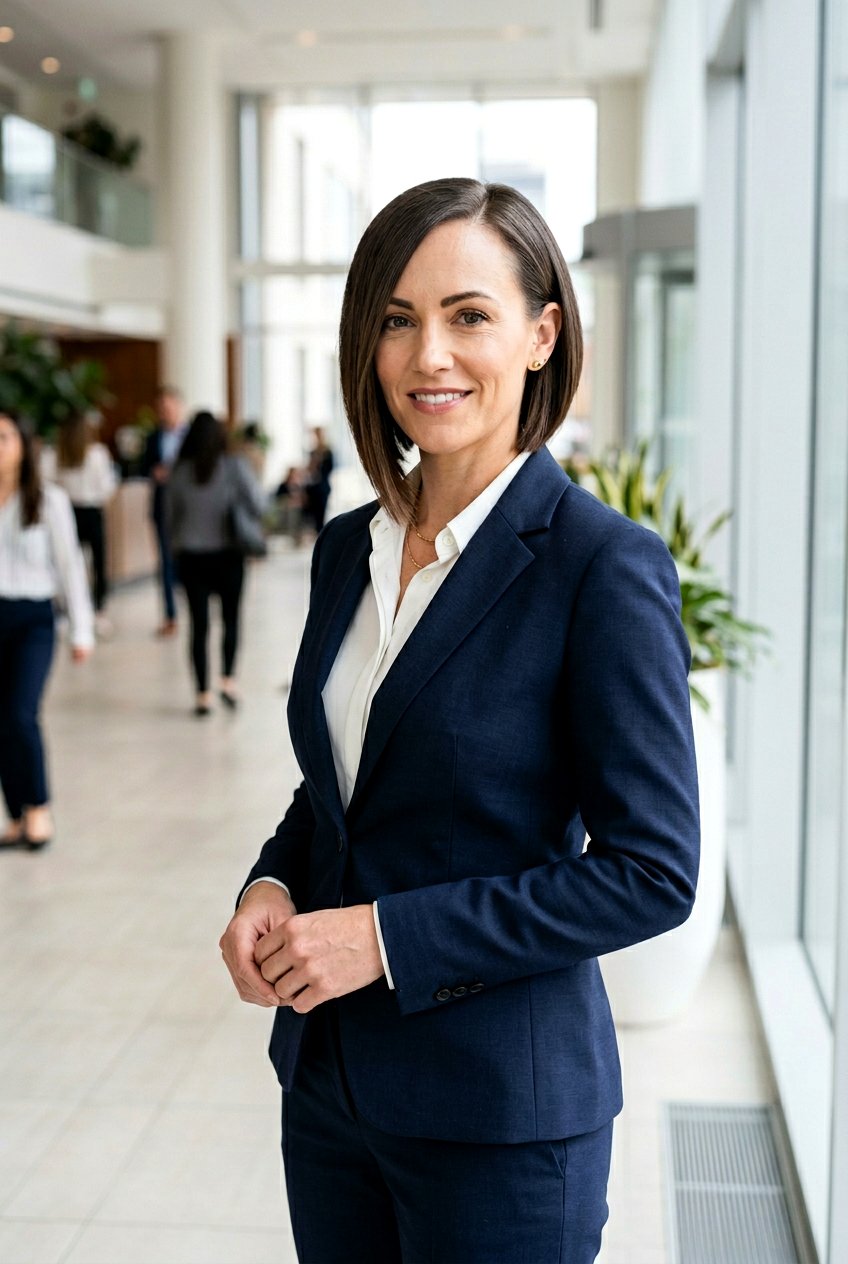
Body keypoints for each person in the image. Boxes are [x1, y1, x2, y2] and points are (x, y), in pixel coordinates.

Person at [219, 178, 700, 1264]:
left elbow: (649, 871)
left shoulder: (599, 567)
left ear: (539, 334)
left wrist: (384, 938)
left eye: (466, 315)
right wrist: (272, 883)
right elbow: (343, 779)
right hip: (330, 1089)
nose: (427, 354)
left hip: (500, 1117)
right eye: (396, 319)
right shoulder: (349, 547)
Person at [0, 410, 93, 851]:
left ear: (23, 445)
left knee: (20, 714)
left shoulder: (47, 499)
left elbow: (71, 564)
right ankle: (16, 814)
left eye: (4, 437)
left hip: (33, 619)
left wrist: (82, 630)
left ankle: (38, 806)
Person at [167, 411, 264, 717]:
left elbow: (169, 518)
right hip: (229, 555)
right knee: (231, 619)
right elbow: (259, 505)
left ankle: (202, 694)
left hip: (191, 558)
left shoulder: (179, 471)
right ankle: (227, 681)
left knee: (198, 626)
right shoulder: (234, 466)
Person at [41, 412, 118, 637]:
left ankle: (66, 610)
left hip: (66, 511)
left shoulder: (54, 454)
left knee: (67, 562)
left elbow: (47, 483)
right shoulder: (96, 454)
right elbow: (106, 486)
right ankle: (98, 611)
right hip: (90, 511)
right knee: (97, 562)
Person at [141, 385, 186, 637]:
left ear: (179, 407)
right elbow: (142, 466)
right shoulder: (152, 437)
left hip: (186, 511)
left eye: (169, 407)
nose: (165, 412)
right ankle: (170, 614)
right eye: (161, 408)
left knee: (186, 562)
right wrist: (154, 472)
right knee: (166, 562)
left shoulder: (190, 437)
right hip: (161, 507)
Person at [303, 425, 334, 533]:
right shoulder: (312, 452)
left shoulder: (328, 452)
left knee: (321, 513)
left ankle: (320, 533)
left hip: (323, 487)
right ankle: (315, 531)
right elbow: (309, 470)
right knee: (314, 514)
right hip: (313, 487)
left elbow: (330, 469)